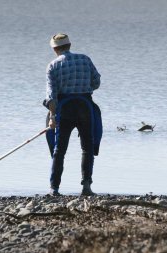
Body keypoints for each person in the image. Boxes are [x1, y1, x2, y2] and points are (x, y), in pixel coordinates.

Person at [43, 33, 102, 196]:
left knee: (59, 149)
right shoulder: (85, 59)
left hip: (65, 109)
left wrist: (52, 118)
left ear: (55, 48)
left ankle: (54, 188)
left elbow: (51, 96)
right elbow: (96, 83)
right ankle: (86, 187)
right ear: (69, 45)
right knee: (87, 148)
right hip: (85, 106)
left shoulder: (53, 66)